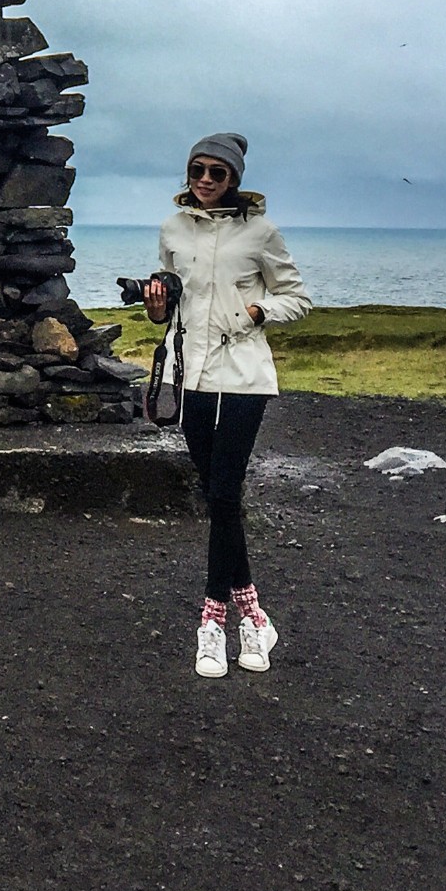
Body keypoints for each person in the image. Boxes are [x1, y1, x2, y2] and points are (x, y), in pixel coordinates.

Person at [144, 132, 312, 679]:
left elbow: (297, 297)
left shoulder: (260, 232)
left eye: (219, 173)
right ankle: (255, 615)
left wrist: (255, 313)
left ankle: (213, 622)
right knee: (218, 498)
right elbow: (167, 312)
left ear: (235, 179)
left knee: (223, 490)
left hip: (243, 377)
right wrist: (156, 304)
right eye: (198, 169)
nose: (207, 180)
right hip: (191, 376)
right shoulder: (173, 229)